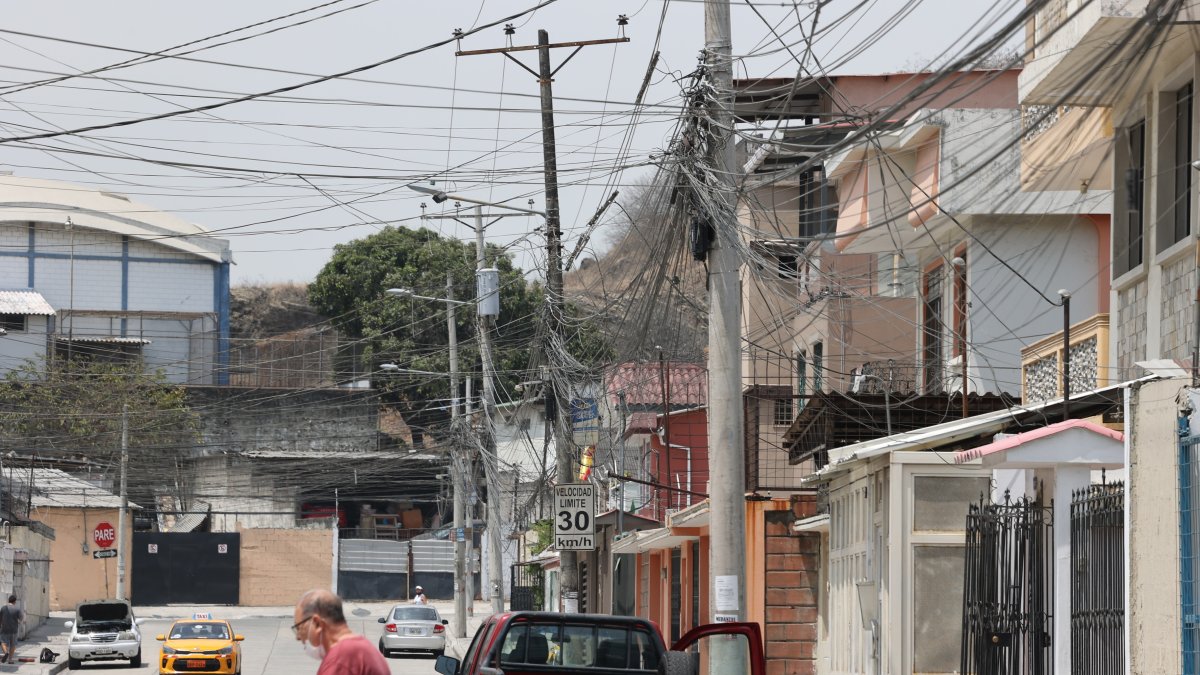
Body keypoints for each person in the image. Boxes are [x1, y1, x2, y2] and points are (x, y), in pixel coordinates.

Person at [293, 589, 389, 675]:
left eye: (299, 628)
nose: (298, 637)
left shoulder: (340, 660)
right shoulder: (362, 648)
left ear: (317, 623)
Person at [0, 595, 23, 664]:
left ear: (8, 600)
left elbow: (0, 619)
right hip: (14, 630)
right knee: (13, 645)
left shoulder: (3, 608)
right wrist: (18, 621)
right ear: (15, 601)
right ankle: (10, 660)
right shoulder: (17, 609)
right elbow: (21, 619)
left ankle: (6, 652)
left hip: (4, 629)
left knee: (3, 642)